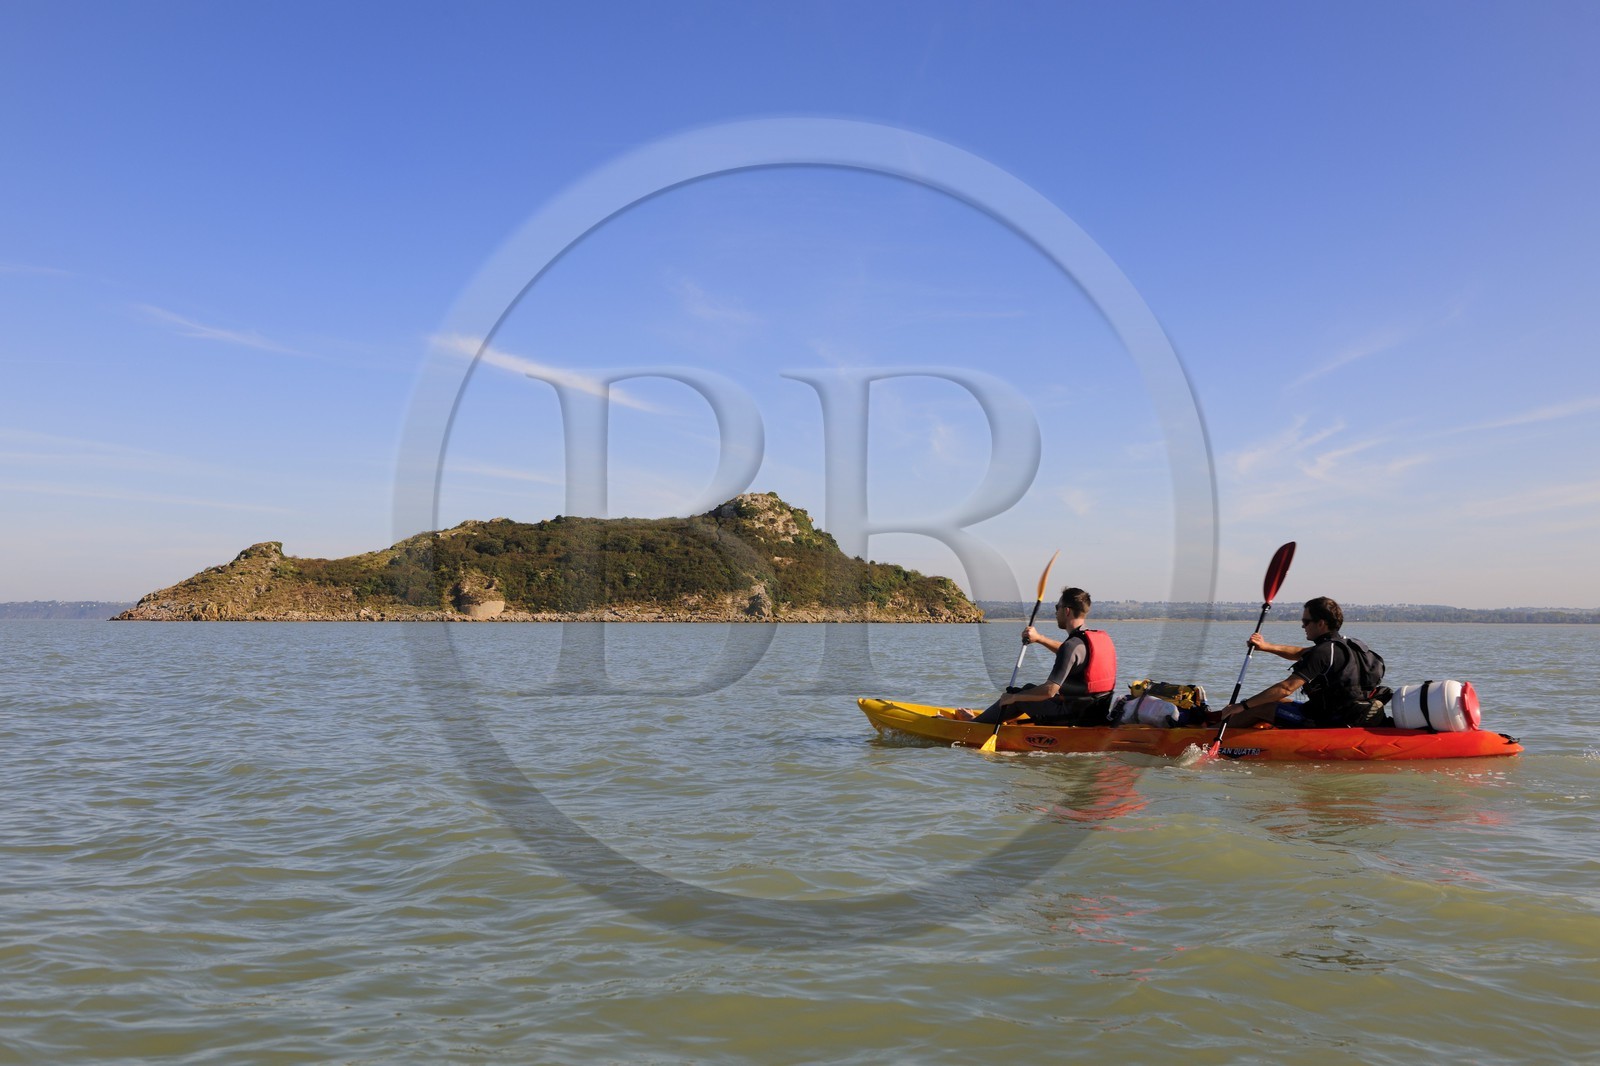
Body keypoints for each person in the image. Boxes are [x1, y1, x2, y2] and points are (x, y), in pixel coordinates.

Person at [956, 587, 1118, 726]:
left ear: (1066, 611)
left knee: (1020, 694)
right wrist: (1039, 638)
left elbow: (1049, 691)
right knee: (1028, 689)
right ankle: (987, 719)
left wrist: (1013, 697)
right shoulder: (1097, 640)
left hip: (1074, 717)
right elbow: (1071, 656)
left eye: (1057, 607)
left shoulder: (1072, 646)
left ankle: (973, 725)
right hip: (1096, 714)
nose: (1056, 612)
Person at [1218, 596, 1385, 728]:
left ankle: (1209, 734)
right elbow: (1299, 653)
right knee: (1273, 701)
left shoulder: (1323, 652)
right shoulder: (1348, 646)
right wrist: (1265, 646)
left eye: (1306, 621)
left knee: (1261, 707)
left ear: (1321, 623)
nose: (1302, 626)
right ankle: (1218, 720)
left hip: (1327, 720)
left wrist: (1242, 706)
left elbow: (1285, 688)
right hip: (1349, 711)